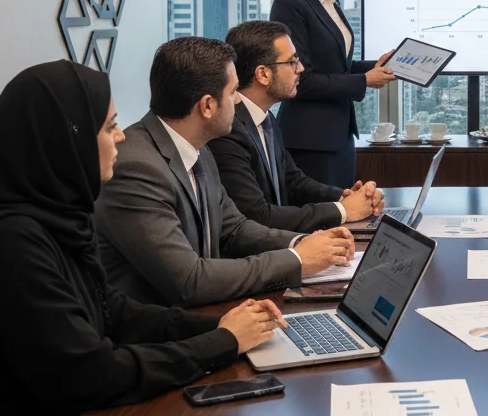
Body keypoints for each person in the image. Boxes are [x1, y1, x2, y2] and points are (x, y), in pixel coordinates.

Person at [0, 60, 288, 416]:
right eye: (109, 126)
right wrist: (221, 344)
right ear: (65, 141)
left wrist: (215, 326)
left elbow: (111, 309)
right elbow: (91, 372)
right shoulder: (14, 241)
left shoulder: (58, 215)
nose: (120, 136)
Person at [95, 38, 355, 308]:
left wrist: (303, 242)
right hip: (158, 335)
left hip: (202, 315)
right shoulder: (136, 167)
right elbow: (190, 280)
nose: (238, 100)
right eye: (232, 93)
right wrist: (298, 260)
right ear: (207, 106)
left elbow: (234, 228)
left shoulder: (199, 147)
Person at [209, 20, 386, 233]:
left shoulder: (266, 119)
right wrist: (343, 210)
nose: (301, 69)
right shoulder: (228, 131)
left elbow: (294, 182)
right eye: (292, 62)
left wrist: (346, 197)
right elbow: (257, 215)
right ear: (263, 74)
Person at [270, 0, 396, 188]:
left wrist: (375, 66)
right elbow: (301, 79)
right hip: (310, 141)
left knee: (343, 221)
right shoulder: (289, 3)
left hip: (338, 136)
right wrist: (364, 81)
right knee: (326, 223)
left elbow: (333, 65)